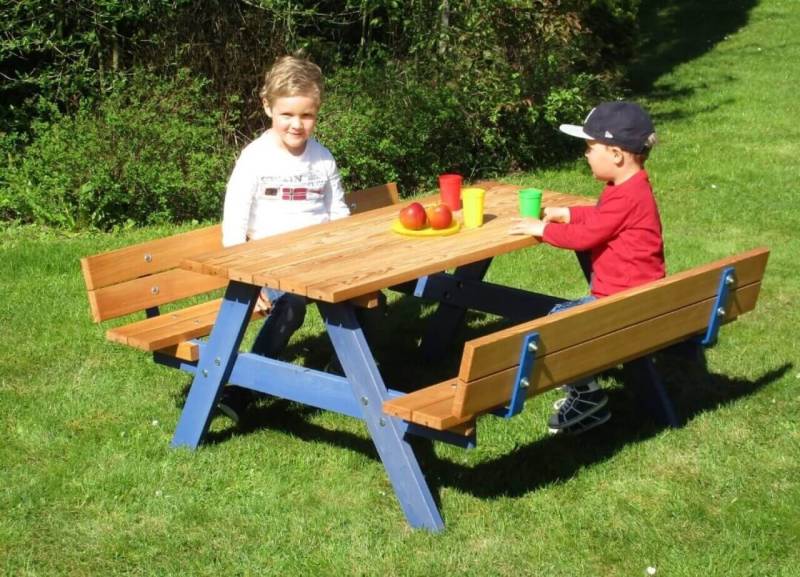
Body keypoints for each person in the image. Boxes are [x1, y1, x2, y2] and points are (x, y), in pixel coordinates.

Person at [509, 101, 665, 434]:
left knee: (556, 328)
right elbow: (601, 220)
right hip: (643, 301)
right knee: (560, 316)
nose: (585, 154)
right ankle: (585, 394)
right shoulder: (630, 188)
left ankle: (586, 398)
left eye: (590, 147)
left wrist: (543, 230)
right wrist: (570, 213)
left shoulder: (624, 196)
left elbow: (585, 237)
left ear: (616, 154)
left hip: (622, 304)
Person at [217, 55, 350, 423]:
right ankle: (243, 389)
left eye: (306, 116)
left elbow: (339, 215)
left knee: (367, 301)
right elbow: (234, 224)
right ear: (267, 107)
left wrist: (348, 262)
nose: (296, 124)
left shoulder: (322, 159)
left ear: (317, 112)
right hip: (271, 267)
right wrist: (247, 278)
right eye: (287, 115)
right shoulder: (255, 158)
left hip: (320, 261)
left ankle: (342, 380)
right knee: (291, 306)